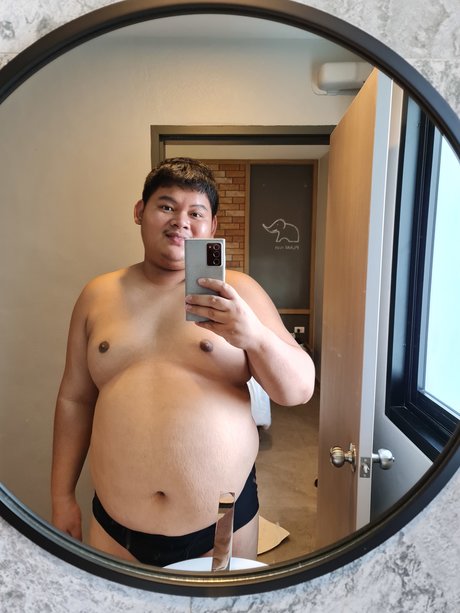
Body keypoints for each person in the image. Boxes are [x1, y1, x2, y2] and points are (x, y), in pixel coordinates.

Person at [51, 157, 315, 567]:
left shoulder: (239, 291)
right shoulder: (97, 295)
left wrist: (253, 336)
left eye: (196, 212)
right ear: (140, 212)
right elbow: (75, 400)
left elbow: (298, 391)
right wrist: (61, 496)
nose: (181, 221)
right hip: (115, 527)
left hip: (221, 526)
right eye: (167, 206)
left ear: (212, 226)